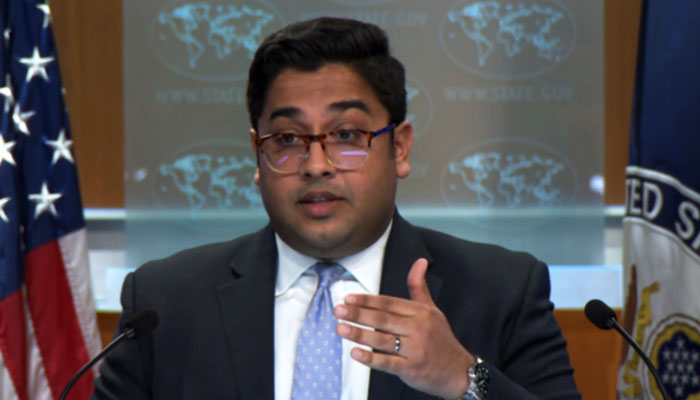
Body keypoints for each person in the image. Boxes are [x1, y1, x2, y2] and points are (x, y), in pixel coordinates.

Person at [92, 17, 580, 400]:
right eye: (287, 139)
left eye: (347, 135)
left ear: (401, 148)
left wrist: (463, 379)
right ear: (258, 156)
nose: (316, 165)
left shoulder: (501, 291)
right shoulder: (165, 302)